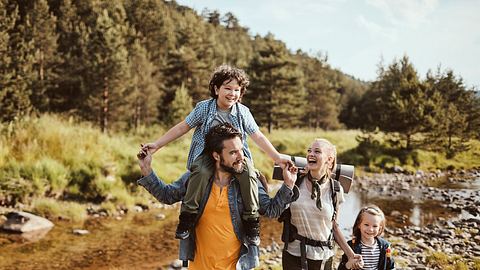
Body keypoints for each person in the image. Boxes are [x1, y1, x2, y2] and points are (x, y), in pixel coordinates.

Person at [141, 65, 292, 243]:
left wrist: (276, 157)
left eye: (237, 90)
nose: (232, 93)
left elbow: (257, 135)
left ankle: (251, 220)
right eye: (227, 88)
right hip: (206, 155)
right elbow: (183, 127)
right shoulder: (204, 108)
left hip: (237, 158)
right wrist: (157, 145)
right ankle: (188, 216)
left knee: (249, 174)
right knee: (201, 172)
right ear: (216, 88)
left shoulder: (243, 112)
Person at [137, 123, 298, 270]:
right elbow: (167, 196)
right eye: (233, 152)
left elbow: (271, 210)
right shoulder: (196, 180)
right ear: (216, 156)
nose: (241, 157)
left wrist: (289, 184)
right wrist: (146, 170)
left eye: (241, 150)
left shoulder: (248, 182)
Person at [279, 138, 363, 270]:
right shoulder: (295, 182)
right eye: (309, 151)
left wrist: (351, 254)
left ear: (329, 160)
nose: (311, 154)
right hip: (293, 253)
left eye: (317, 151)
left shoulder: (336, 190)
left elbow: (334, 227)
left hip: (323, 256)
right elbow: (276, 208)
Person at [338, 206, 395, 270]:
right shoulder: (351, 246)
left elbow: (390, 267)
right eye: (366, 225)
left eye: (375, 226)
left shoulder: (385, 246)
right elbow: (341, 268)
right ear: (359, 225)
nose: (370, 229)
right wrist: (348, 265)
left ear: (380, 228)